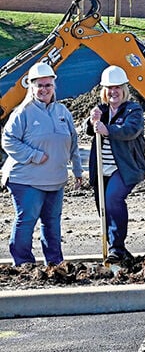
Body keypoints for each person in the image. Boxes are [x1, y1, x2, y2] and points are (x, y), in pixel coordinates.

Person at [1, 62, 83, 266]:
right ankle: (23, 263)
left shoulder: (63, 112)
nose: (44, 89)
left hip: (56, 179)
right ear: (31, 87)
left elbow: (73, 142)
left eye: (48, 85)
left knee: (52, 223)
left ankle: (55, 263)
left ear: (54, 86)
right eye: (40, 85)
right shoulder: (23, 113)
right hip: (25, 179)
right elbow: (8, 140)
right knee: (27, 220)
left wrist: (77, 169)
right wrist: (34, 155)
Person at [85, 66, 145, 263]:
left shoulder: (133, 109)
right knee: (102, 207)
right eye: (109, 88)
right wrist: (92, 120)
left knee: (113, 199)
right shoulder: (101, 110)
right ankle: (115, 249)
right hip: (101, 168)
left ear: (124, 89)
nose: (113, 92)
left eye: (117, 87)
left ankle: (117, 247)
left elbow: (130, 130)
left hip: (125, 168)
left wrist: (107, 129)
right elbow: (90, 130)